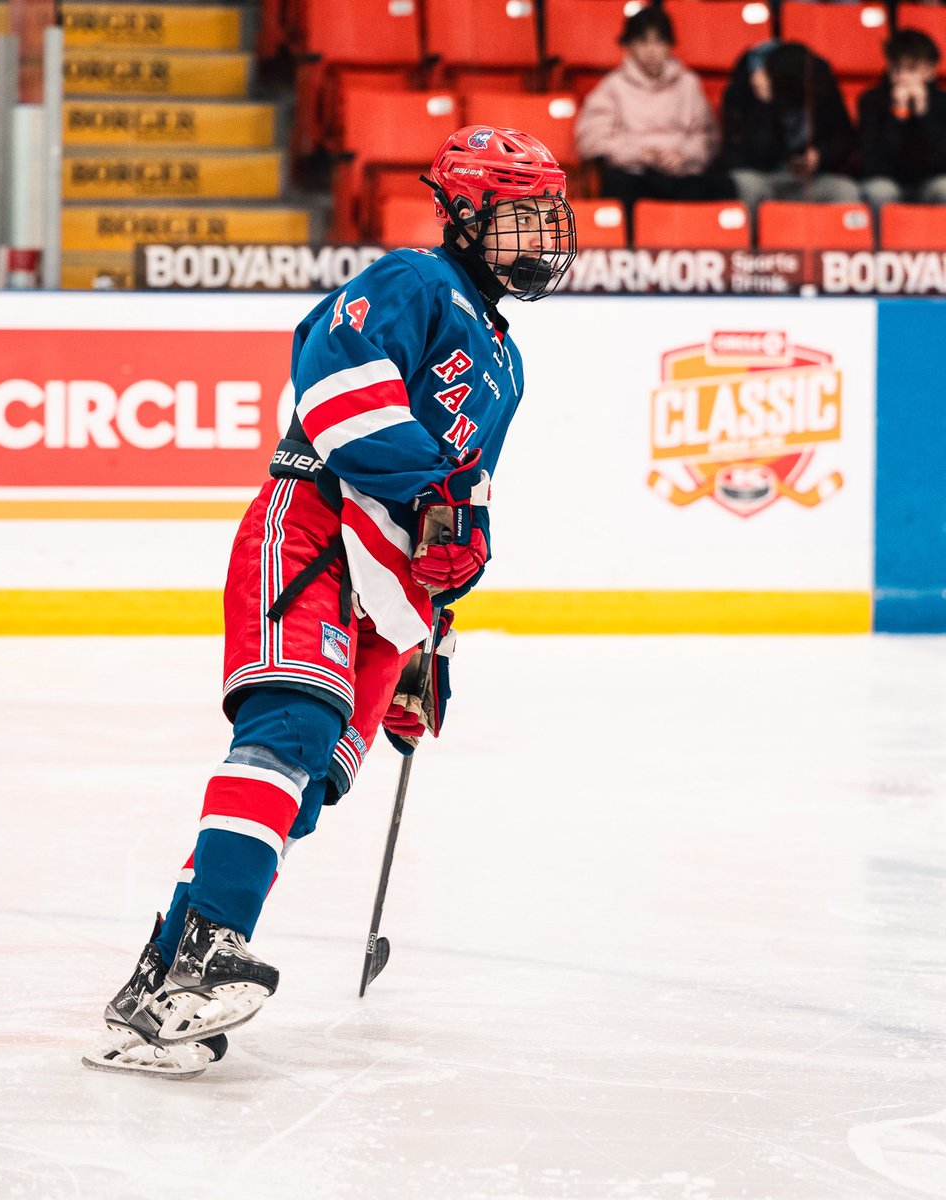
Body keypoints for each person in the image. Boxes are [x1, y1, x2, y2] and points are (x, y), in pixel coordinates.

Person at [81, 125, 577, 1080]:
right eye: (519, 219)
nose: (538, 240)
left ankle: (156, 987)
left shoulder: (507, 363)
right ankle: (203, 952)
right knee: (288, 729)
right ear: (466, 217)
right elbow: (337, 387)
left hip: (394, 592)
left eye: (546, 219)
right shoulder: (412, 283)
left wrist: (436, 626)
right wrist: (433, 494)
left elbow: (457, 512)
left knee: (307, 789)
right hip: (313, 530)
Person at [574, 6, 734, 220]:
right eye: (643, 42)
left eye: (659, 42)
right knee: (617, 184)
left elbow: (707, 139)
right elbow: (593, 141)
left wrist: (683, 155)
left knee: (724, 186)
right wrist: (639, 154)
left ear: (669, 46)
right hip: (634, 174)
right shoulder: (612, 86)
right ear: (628, 45)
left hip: (682, 174)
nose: (651, 50)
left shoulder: (689, 84)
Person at [722, 40, 859, 215]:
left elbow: (844, 139)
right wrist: (765, 106)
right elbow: (744, 154)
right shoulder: (747, 91)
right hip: (764, 177)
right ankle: (750, 241)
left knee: (846, 191)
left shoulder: (820, 87)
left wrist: (819, 156)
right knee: (743, 183)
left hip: (810, 180)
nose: (762, 76)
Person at [859, 29, 946, 213]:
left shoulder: (942, 103)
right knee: (878, 191)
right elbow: (872, 163)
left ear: (931, 70)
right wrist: (898, 114)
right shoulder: (872, 101)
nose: (903, 77)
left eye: (912, 69)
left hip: (929, 182)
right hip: (888, 181)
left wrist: (923, 114)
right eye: (896, 68)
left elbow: (941, 160)